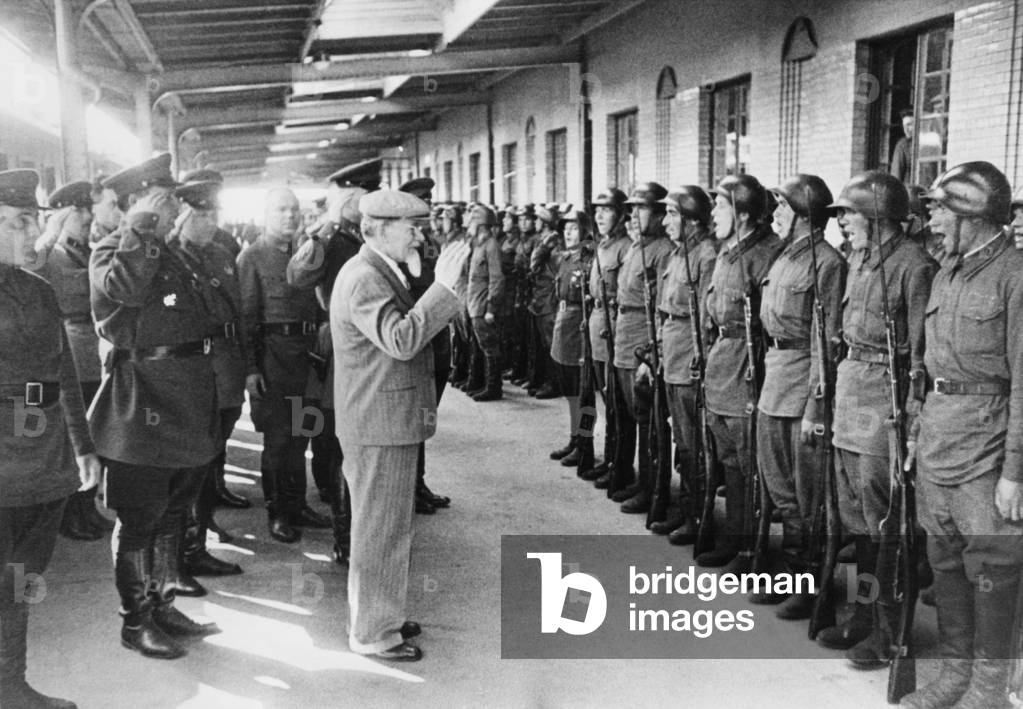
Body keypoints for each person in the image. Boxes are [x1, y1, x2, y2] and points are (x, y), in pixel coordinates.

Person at [90, 153, 221, 659]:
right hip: (141, 405)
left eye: (171, 202)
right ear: (134, 204)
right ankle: (136, 620)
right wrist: (141, 224)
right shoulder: (111, 251)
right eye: (160, 201)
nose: (172, 210)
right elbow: (125, 289)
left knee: (173, 514)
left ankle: (163, 603)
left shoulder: (172, 253)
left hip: (185, 403)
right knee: (140, 519)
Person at [331, 189, 470, 662]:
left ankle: (379, 615)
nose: (419, 236)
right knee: (379, 531)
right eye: (411, 228)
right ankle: (372, 632)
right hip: (378, 424)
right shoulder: (364, 278)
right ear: (378, 229)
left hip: (385, 420)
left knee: (388, 527)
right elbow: (402, 338)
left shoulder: (378, 269)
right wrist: (444, 289)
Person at [902, 162, 1022, 709]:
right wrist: (915, 432)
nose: (930, 221)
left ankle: (989, 689)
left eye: (939, 210)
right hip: (938, 440)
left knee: (993, 566)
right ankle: (955, 676)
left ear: (971, 213)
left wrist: (1015, 470)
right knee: (945, 561)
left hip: (986, 447)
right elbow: (926, 369)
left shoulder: (1015, 276)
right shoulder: (946, 272)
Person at [814, 172, 937, 667]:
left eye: (849, 212)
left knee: (885, 520)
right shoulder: (859, 261)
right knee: (857, 522)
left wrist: (911, 413)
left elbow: (921, 354)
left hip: (883, 403)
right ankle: (864, 616)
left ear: (878, 215)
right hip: (852, 393)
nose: (842, 221)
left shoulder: (914, 266)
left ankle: (890, 633)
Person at [0, 168, 99, 709]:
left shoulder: (37, 291)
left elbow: (63, 375)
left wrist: (82, 445)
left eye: (33, 222)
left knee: (21, 579)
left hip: (43, 460)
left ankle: (10, 685)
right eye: (18, 223)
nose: (32, 233)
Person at [754, 175, 846, 617]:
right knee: (780, 487)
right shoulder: (783, 257)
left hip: (802, 385)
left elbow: (825, 341)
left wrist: (816, 404)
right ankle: (792, 572)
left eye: (783, 207)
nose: (775, 214)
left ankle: (812, 583)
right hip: (774, 379)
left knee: (809, 494)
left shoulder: (827, 263)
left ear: (804, 215)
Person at [697, 174, 783, 567]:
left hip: (749, 365)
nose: (713, 213)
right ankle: (734, 539)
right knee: (730, 460)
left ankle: (753, 550)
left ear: (743, 214)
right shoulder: (726, 251)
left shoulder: (766, 253)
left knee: (750, 463)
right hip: (723, 361)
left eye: (720, 205)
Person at [239, 187, 331, 545]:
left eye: (294, 209)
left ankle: (297, 505)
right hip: (273, 360)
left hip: (307, 359)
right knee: (278, 441)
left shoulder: (306, 253)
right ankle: (277, 512)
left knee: (302, 435)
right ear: (266, 215)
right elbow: (246, 318)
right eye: (281, 210)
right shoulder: (252, 257)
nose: (290, 216)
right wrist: (251, 368)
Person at [169, 178, 245, 579]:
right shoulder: (170, 257)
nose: (210, 222)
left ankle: (200, 534)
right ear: (182, 217)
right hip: (194, 367)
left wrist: (248, 366)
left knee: (213, 454)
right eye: (201, 215)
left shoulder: (223, 253)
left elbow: (241, 311)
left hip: (227, 366)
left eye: (214, 214)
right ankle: (183, 550)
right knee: (189, 464)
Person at [43, 180, 114, 542]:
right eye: (79, 211)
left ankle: (87, 507)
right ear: (61, 215)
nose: (88, 217)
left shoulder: (88, 252)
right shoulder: (51, 256)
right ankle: (71, 514)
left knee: (94, 437)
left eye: (88, 209)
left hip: (95, 355)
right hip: (71, 353)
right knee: (74, 440)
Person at [653, 186, 717, 543]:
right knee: (682, 439)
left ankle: (698, 516)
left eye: (672, 214)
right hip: (673, 350)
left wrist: (700, 360)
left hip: (690, 355)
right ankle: (687, 508)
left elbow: (706, 318)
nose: (665, 221)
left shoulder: (705, 255)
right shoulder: (679, 254)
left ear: (692, 219)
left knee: (694, 442)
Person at [610, 183, 674, 513]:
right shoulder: (637, 247)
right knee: (632, 415)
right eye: (631, 209)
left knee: (650, 420)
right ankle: (639, 478)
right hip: (623, 336)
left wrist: (652, 351)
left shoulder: (663, 251)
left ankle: (654, 489)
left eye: (642, 208)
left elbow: (663, 305)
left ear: (660, 214)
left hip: (641, 337)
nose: (633, 215)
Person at [582, 189, 631, 488]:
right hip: (597, 324)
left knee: (618, 405)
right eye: (597, 210)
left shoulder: (625, 248)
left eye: (607, 210)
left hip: (613, 328)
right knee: (607, 401)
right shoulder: (603, 245)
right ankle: (611, 460)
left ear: (621, 215)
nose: (599, 215)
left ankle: (620, 467)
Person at [549, 209, 595, 466]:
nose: (568, 233)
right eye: (565, 228)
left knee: (583, 392)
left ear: (584, 231)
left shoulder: (589, 259)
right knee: (570, 392)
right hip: (563, 325)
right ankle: (574, 438)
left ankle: (585, 444)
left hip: (580, 327)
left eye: (574, 228)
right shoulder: (565, 258)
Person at [465, 204, 506, 401]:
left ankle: (493, 388)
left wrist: (491, 307)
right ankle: (481, 383)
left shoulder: (491, 246)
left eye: (472, 221)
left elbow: (497, 279)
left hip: (483, 306)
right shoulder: (479, 244)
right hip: (475, 304)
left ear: (480, 224)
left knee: (490, 348)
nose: (469, 225)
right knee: (479, 347)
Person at [530, 205, 564, 400]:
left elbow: (535, 265)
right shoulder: (545, 240)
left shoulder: (552, 242)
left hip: (549, 299)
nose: (535, 222)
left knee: (551, 343)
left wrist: (542, 248)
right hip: (541, 298)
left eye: (537, 220)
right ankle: (545, 380)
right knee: (544, 343)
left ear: (544, 223)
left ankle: (554, 383)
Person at [890, 108, 914, 184]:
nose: (906, 129)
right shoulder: (902, 145)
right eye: (904, 126)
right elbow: (896, 173)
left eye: (909, 125)